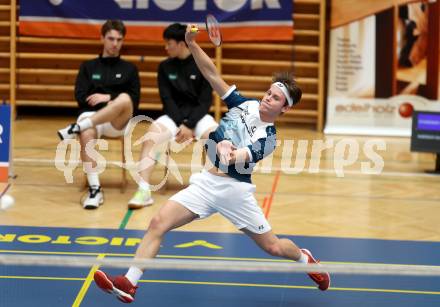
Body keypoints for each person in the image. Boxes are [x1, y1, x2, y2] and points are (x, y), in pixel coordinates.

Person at [93, 25, 330, 304]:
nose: (268, 97)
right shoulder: (245, 105)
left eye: (276, 98)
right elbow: (212, 74)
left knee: (274, 247)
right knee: (157, 223)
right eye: (269, 92)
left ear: (285, 108)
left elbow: (241, 157)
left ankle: (304, 258)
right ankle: (129, 283)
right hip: (206, 184)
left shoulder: (269, 137)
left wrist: (226, 149)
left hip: (234, 193)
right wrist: (192, 44)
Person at [127, 23, 217, 209]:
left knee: (215, 136)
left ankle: (212, 192)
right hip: (174, 116)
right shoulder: (164, 67)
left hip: (198, 117)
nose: (166, 47)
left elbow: (205, 101)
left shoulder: (202, 64)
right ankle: (144, 191)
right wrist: (181, 124)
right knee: (151, 135)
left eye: (169, 43)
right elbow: (167, 100)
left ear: (182, 44)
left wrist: (190, 124)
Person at [57, 20, 140, 209]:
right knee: (87, 130)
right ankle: (95, 190)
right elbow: (80, 97)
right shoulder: (88, 66)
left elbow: (135, 101)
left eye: (119, 39)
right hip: (92, 120)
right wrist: (107, 102)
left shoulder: (130, 69)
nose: (115, 43)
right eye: (111, 38)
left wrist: (108, 97)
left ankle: (76, 128)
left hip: (116, 123)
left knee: (125, 98)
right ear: (102, 38)